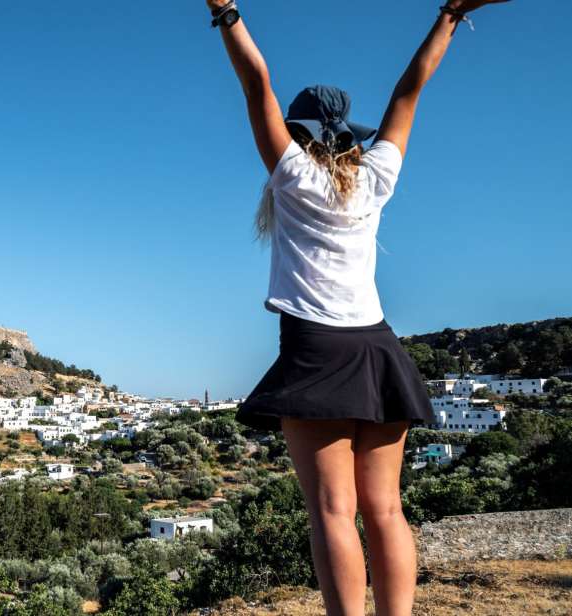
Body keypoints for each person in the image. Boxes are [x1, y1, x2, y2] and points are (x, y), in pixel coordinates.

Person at [206, 1, 511, 615]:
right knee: (387, 509)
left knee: (333, 512)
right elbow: (410, 87)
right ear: (350, 136)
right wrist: (450, 14)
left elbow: (255, 80)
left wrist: (227, 12)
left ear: (296, 133)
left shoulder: (291, 175)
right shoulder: (375, 177)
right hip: (377, 347)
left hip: (317, 349)